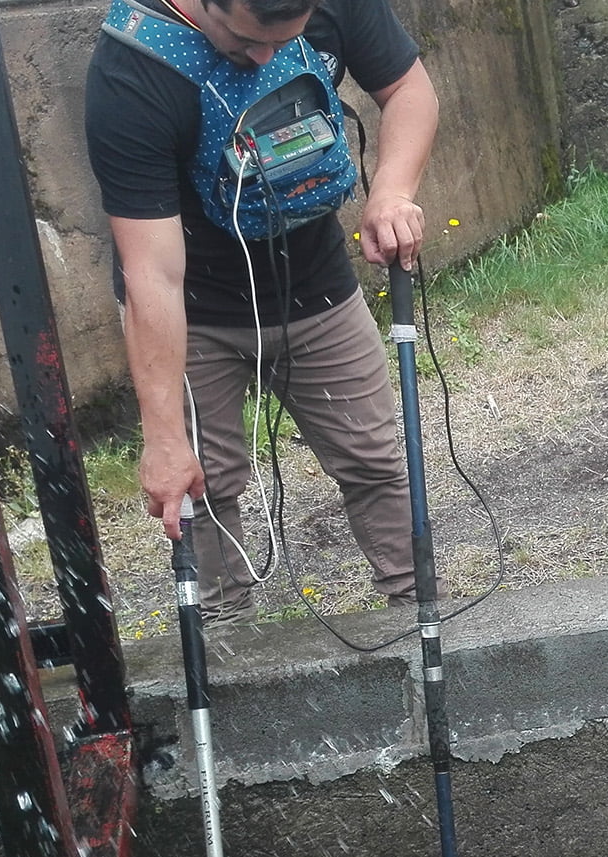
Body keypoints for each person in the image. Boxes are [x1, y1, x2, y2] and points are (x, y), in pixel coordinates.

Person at [85, 0, 439, 622]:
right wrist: (165, 438)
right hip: (192, 312)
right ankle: (228, 644)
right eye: (246, 40)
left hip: (316, 287)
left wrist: (390, 190)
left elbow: (408, 87)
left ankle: (420, 614)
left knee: (378, 461)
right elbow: (154, 274)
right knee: (206, 488)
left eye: (286, 41)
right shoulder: (131, 74)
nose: (265, 57)